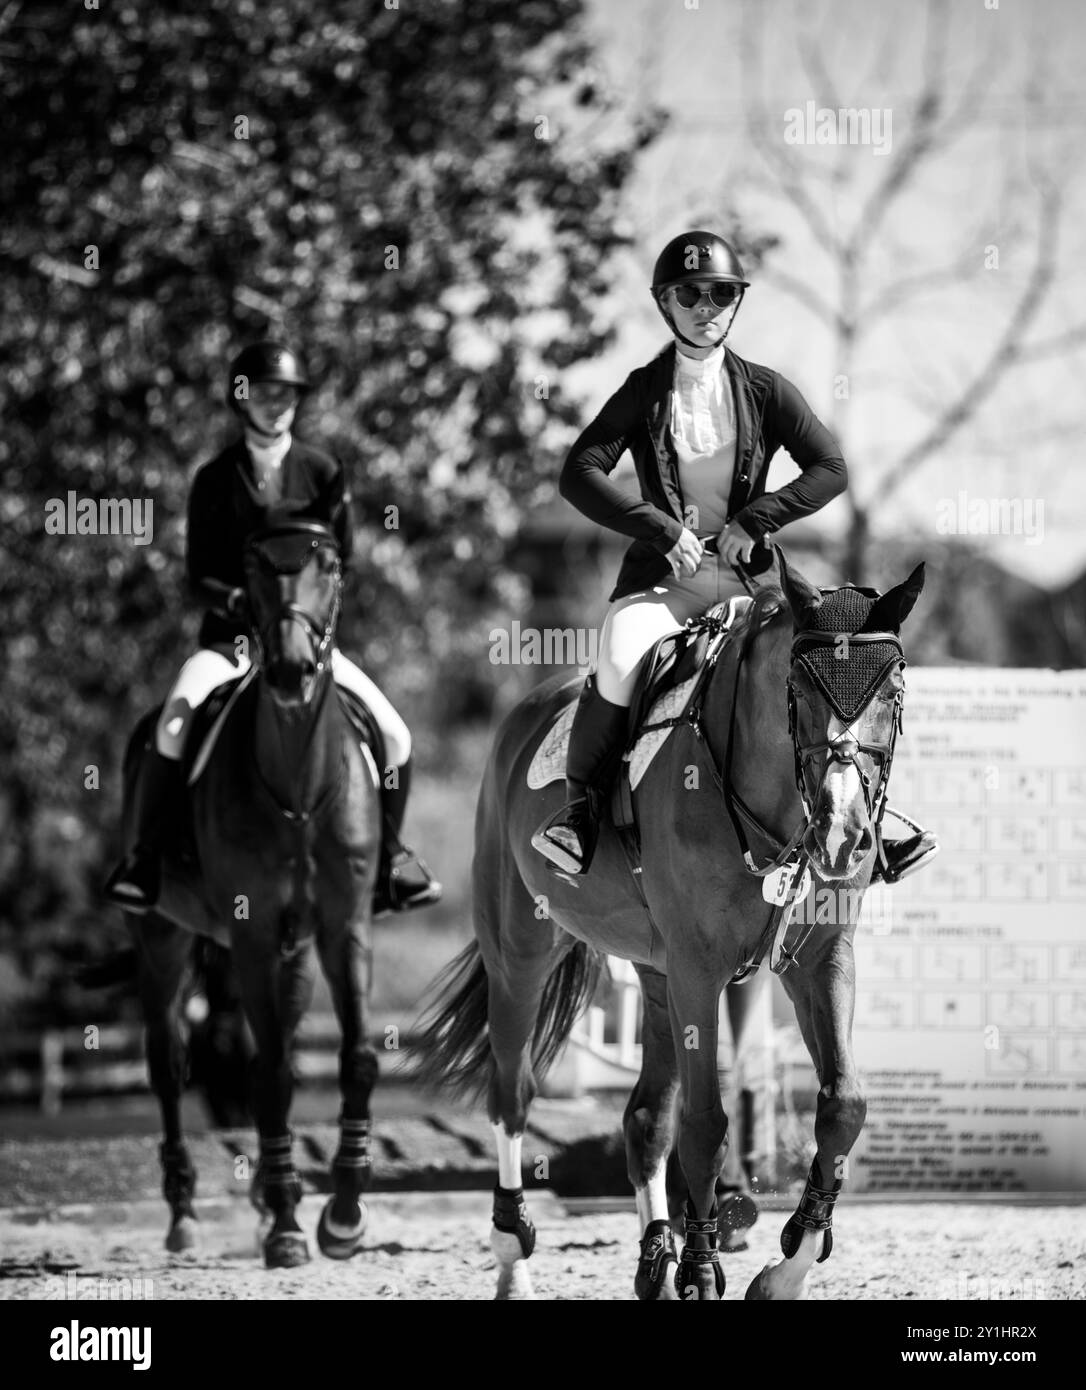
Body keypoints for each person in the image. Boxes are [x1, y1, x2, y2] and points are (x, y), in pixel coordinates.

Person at [531, 230, 938, 882]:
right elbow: (578, 472)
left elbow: (831, 468)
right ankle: (581, 815)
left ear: (735, 302)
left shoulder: (766, 390)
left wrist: (757, 519)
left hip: (755, 587)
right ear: (666, 303)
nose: (706, 306)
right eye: (689, 294)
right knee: (619, 649)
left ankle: (875, 819)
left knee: (835, 656)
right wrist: (659, 529)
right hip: (667, 584)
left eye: (721, 293)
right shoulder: (642, 391)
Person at [105, 340, 442, 918]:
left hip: (306, 646)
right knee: (173, 723)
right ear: (241, 400)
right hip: (232, 643)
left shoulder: (323, 471)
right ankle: (147, 858)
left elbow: (341, 563)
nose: (276, 404)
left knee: (395, 734)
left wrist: (304, 623)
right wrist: (241, 601)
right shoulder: (215, 478)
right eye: (263, 393)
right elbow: (197, 575)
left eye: (286, 394)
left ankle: (391, 859)